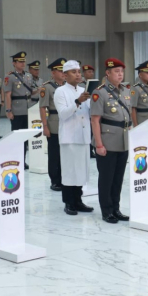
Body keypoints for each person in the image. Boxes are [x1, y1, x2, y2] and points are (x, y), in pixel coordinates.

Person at [90, 58, 131, 224]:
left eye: (122, 71)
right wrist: (98, 144)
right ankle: (106, 211)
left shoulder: (126, 91)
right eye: (116, 71)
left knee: (118, 178)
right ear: (108, 73)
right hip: (107, 141)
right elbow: (95, 121)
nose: (120, 74)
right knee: (106, 178)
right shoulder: (99, 92)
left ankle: (116, 208)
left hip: (123, 140)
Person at [55, 60, 94, 215]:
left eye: (78, 71)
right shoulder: (61, 91)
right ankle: (69, 202)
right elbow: (63, 114)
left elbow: (89, 112)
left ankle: (78, 200)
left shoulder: (84, 89)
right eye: (74, 72)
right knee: (70, 171)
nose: (78, 74)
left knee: (81, 170)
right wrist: (78, 102)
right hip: (69, 136)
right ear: (65, 75)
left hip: (83, 135)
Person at [4, 51, 36, 169]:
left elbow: (32, 91)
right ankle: (17, 160)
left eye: (24, 61)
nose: (23, 63)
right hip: (17, 110)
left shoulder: (28, 76)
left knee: (26, 139)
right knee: (17, 137)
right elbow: (8, 94)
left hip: (28, 109)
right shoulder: (10, 77)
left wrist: (41, 90)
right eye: (20, 61)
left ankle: (23, 160)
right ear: (14, 63)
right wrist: (8, 110)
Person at [39, 58, 66, 191]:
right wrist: (45, 126)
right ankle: (55, 180)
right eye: (59, 71)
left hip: (68, 124)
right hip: (54, 123)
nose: (62, 73)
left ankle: (64, 178)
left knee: (65, 153)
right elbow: (42, 107)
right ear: (53, 72)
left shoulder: (68, 86)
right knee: (54, 153)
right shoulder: (47, 87)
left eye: (63, 71)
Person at [131, 61, 148, 172]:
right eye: (147, 73)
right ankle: (140, 167)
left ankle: (147, 167)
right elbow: (133, 108)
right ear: (140, 74)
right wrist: (135, 125)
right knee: (141, 146)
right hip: (142, 120)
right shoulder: (136, 88)